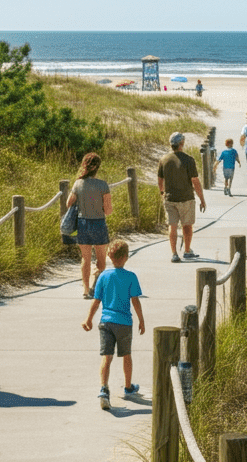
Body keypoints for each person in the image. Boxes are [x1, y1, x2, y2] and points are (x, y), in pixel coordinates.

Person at [82, 238, 145, 411]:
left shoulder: (103, 276)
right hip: (124, 323)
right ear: (125, 257)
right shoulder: (131, 277)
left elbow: (96, 301)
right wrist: (141, 320)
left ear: (109, 256)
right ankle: (128, 387)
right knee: (126, 355)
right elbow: (135, 301)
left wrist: (88, 319)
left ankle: (104, 389)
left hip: (106, 322)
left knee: (106, 357)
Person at [67, 152, 112, 298]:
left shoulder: (78, 183)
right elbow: (108, 210)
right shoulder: (102, 185)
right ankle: (96, 286)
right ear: (98, 167)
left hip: (82, 223)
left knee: (85, 258)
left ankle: (86, 290)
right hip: (98, 223)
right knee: (101, 260)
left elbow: (69, 203)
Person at [157, 131, 206, 262]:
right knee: (187, 226)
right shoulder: (189, 160)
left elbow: (160, 180)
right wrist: (202, 199)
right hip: (186, 198)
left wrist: (162, 193)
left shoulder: (164, 160)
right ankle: (187, 251)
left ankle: (174, 253)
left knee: (172, 226)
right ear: (181, 144)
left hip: (170, 198)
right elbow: (195, 181)